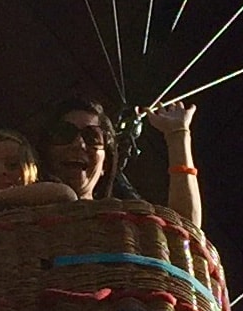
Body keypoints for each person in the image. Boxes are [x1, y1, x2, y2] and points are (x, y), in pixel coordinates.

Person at [34, 94, 204, 233]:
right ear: (46, 151)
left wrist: (177, 134)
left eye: (92, 137)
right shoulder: (25, 210)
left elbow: (182, 233)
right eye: (64, 134)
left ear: (105, 164)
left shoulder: (121, 223)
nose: (79, 144)